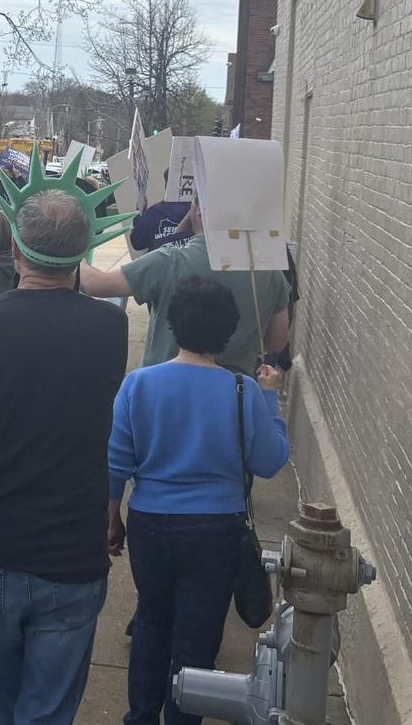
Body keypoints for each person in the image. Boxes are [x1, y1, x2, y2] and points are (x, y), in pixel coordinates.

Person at [0, 189, 128, 724]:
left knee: (0, 700)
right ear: (81, 254)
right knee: (47, 710)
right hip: (73, 553)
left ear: (15, 249)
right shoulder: (109, 328)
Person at [109, 276, 289, 725]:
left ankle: (140, 716)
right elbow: (269, 461)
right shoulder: (242, 390)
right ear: (228, 331)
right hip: (216, 528)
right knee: (199, 633)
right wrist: (271, 400)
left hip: (150, 520)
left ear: (173, 324)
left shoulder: (139, 384)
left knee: (152, 620)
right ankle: (183, 717)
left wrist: (110, 517)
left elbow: (117, 462)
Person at [79, 198, 291, 375]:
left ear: (199, 212)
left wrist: (75, 251)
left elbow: (94, 285)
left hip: (164, 391)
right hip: (233, 396)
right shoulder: (269, 271)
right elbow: (276, 341)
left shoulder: (169, 260)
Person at [128, 170, 194, 253]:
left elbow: (138, 243)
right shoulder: (197, 212)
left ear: (166, 186)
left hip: (162, 264)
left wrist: (139, 214)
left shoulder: (152, 213)